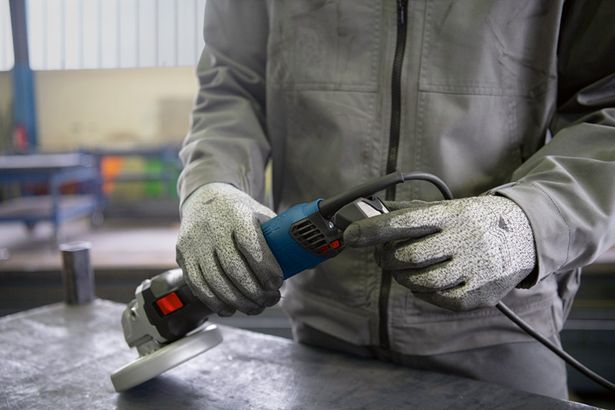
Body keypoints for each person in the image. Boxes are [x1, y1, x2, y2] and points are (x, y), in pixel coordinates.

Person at [175, 1, 615, 400]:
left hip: (502, 329)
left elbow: (607, 110)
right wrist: (213, 185)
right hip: (323, 329)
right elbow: (232, 86)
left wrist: (528, 220)